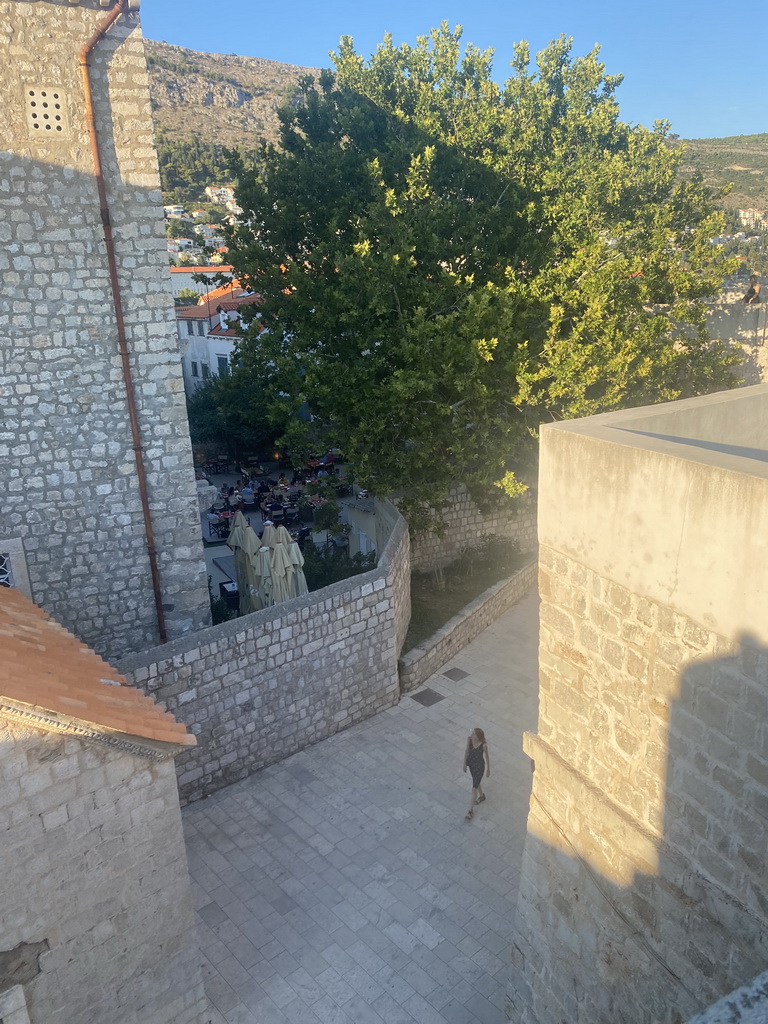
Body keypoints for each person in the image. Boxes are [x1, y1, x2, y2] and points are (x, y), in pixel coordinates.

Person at [463, 727, 490, 820]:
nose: (472, 734)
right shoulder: (469, 740)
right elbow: (466, 751)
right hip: (471, 764)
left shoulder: (483, 745)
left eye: (474, 733)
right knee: (476, 783)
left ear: (478, 737)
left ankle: (470, 811)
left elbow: (487, 757)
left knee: (474, 788)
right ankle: (482, 796)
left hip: (479, 767)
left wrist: (488, 769)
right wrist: (464, 764)